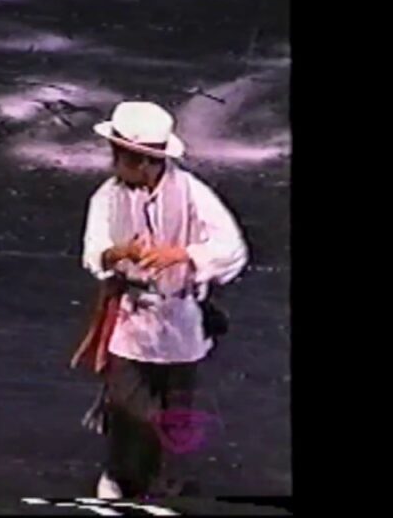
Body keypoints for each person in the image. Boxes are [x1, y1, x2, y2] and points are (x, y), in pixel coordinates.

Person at [72, 101, 248, 498]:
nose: (115, 163)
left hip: (178, 317)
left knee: (175, 408)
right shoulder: (108, 197)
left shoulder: (192, 195)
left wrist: (183, 254)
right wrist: (120, 253)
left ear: (145, 161)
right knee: (126, 403)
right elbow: (94, 250)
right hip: (132, 318)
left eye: (121, 157)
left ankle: (162, 480)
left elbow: (232, 249)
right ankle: (120, 473)